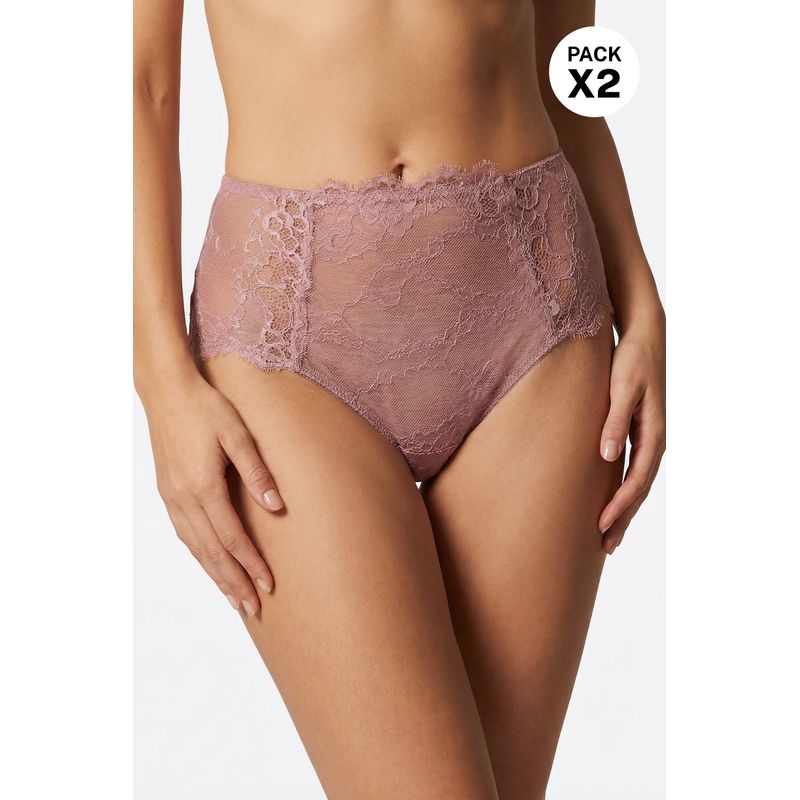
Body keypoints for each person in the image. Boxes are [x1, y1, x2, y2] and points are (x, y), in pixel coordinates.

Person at [134, 1, 665, 797]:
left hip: (538, 318)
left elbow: (571, 55)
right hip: (288, 344)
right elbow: (140, 83)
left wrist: (641, 296)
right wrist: (160, 380)